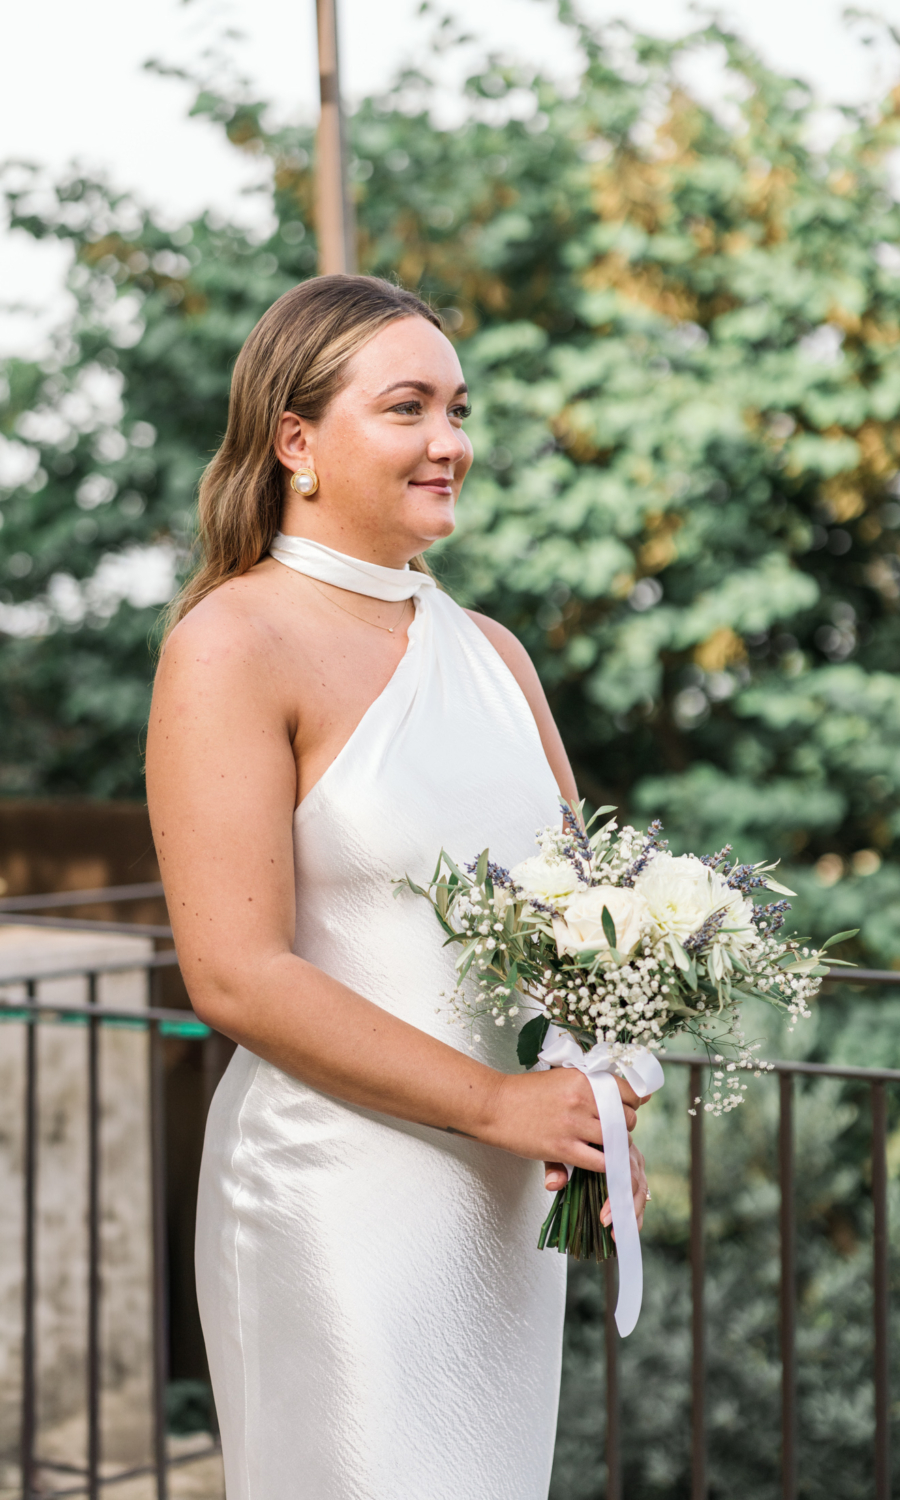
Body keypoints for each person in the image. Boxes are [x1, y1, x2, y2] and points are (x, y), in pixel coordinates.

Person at [145, 274, 649, 1500]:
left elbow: (583, 917)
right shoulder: (231, 643)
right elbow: (235, 973)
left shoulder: (492, 656)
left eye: (458, 409)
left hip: (497, 1217)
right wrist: (492, 1101)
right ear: (296, 440)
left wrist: (610, 1068)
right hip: (336, 1203)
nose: (451, 443)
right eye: (409, 408)